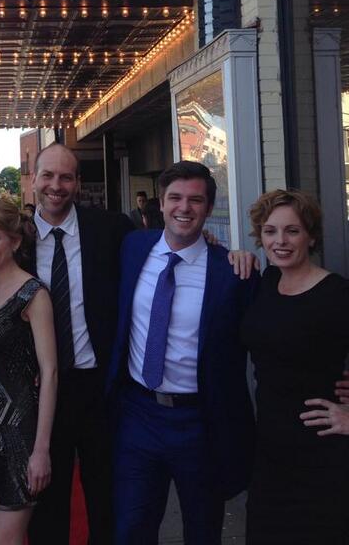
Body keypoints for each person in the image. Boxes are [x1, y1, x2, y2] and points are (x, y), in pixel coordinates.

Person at [107, 160, 257, 545]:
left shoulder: (232, 273)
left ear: (208, 208)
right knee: (131, 530)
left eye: (195, 200)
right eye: (175, 198)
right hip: (138, 414)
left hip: (199, 422)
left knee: (203, 531)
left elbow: (268, 339)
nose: (184, 208)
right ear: (160, 203)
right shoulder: (133, 247)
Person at [27, 143, 133, 545]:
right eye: (48, 176)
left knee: (105, 496)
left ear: (77, 183)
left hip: (98, 387)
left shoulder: (111, 229)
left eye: (66, 177)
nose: (56, 185)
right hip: (41, 390)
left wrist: (216, 249)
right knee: (46, 500)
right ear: (33, 180)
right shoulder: (17, 241)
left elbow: (159, 253)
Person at [240, 189, 349, 545]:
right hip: (269, 454)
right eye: (270, 231)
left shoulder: (337, 295)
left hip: (321, 456)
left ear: (311, 236)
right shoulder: (267, 282)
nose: (280, 241)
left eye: (292, 231)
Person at [0, 199, 57, 545]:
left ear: (15, 241)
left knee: (7, 539)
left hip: (20, 431)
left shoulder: (33, 294)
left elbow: (50, 373)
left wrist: (41, 449)